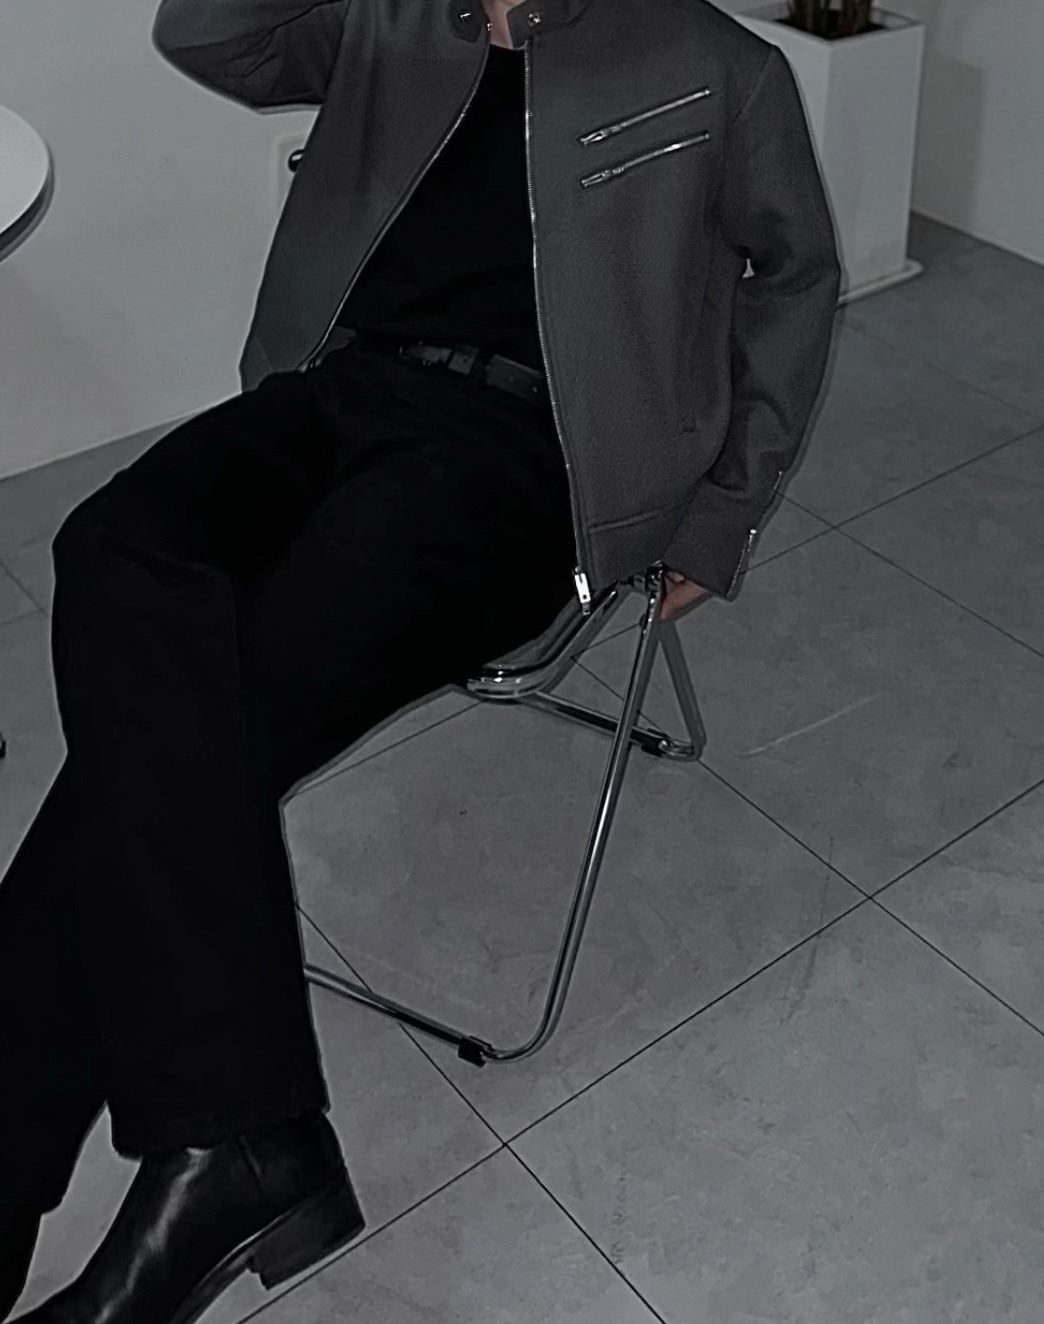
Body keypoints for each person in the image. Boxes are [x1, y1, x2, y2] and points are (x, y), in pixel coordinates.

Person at [0, 0, 841, 1319]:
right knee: (113, 548)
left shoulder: (718, 67)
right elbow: (211, 37)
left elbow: (795, 279)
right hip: (334, 395)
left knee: (208, 710)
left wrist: (721, 511)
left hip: (522, 465)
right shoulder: (391, 20)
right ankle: (241, 1134)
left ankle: (135, 1153)